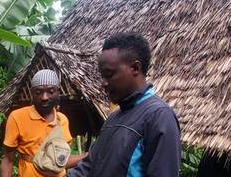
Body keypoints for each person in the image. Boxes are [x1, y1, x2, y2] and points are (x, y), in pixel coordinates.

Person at [65, 31, 181, 177]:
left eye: (109, 75)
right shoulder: (113, 119)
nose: (103, 83)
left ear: (135, 68)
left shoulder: (158, 116)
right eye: (102, 76)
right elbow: (88, 167)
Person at [0, 69, 86, 177]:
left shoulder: (62, 120)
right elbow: (8, 159)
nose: (44, 97)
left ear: (57, 91)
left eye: (50, 91)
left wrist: (88, 155)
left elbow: (62, 160)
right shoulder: (17, 117)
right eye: (38, 92)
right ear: (32, 93)